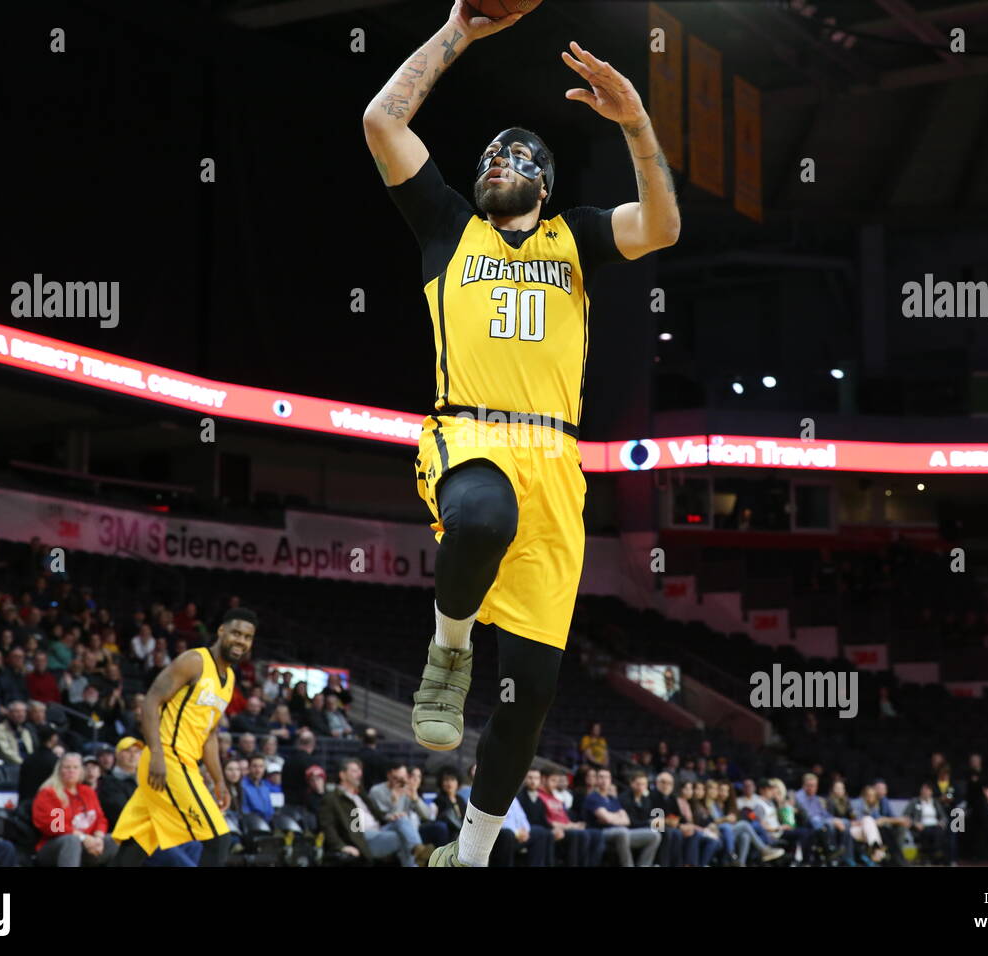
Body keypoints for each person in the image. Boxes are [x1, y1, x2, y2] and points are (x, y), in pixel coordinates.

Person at [364, 1, 679, 871]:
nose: (501, 159)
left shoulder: (574, 238)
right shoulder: (445, 227)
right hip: (469, 438)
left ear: (541, 184)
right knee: (478, 519)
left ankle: (466, 854)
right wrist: (460, 30)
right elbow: (381, 120)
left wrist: (637, 121)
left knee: (533, 692)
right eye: (491, 153)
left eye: (520, 155)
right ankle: (447, 650)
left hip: (557, 463)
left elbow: (662, 227)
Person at [111, 608, 257, 867]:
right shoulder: (194, 661)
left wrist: (219, 780)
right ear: (222, 631)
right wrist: (156, 754)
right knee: (219, 839)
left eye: (247, 637)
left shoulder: (230, 678)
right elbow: (151, 702)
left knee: (139, 842)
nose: (241, 641)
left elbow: (209, 734)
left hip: (186, 762)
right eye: (236, 633)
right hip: (167, 759)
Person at [32, 752, 117, 867]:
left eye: (75, 767)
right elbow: (56, 827)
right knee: (71, 841)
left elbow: (100, 819)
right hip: (54, 846)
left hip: (88, 845)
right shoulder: (50, 793)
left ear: (81, 771)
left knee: (115, 839)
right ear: (59, 770)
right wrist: (83, 838)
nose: (71, 771)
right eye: (67, 767)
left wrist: (98, 838)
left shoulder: (87, 791)